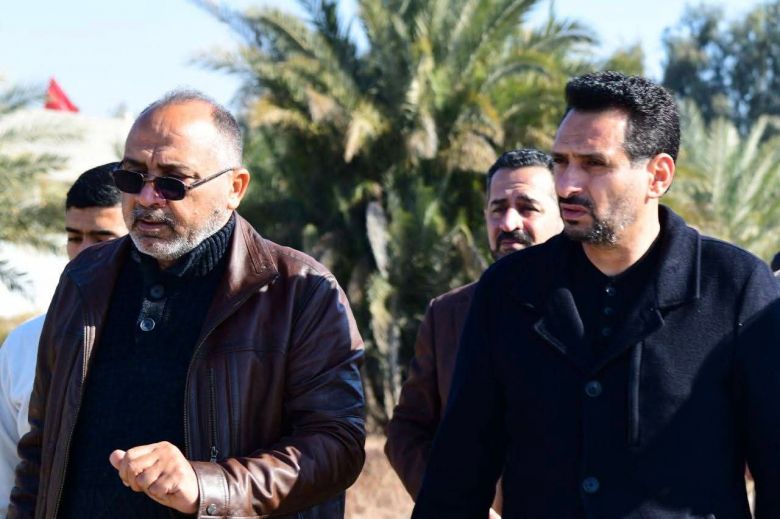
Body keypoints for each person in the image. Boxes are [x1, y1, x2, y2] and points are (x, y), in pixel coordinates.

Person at [412, 71, 780, 518]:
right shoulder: (507, 291)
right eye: (561, 161)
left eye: (594, 164)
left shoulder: (737, 288)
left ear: (658, 176)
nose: (567, 184)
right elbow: (457, 476)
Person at [9, 91, 365, 519]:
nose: (146, 198)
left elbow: (336, 445)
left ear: (234, 188)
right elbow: (42, 448)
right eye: (132, 177)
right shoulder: (84, 279)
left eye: (172, 182)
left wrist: (207, 486)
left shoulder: (297, 292)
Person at [384, 149, 562, 518]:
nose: (509, 223)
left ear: (563, 214)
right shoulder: (448, 314)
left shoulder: (598, 308)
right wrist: (457, 506)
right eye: (498, 209)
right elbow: (407, 430)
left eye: (527, 207)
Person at [0, 163, 127, 515]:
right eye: (74, 237)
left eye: (102, 239)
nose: (84, 253)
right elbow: (8, 477)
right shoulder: (23, 345)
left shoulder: (181, 339)